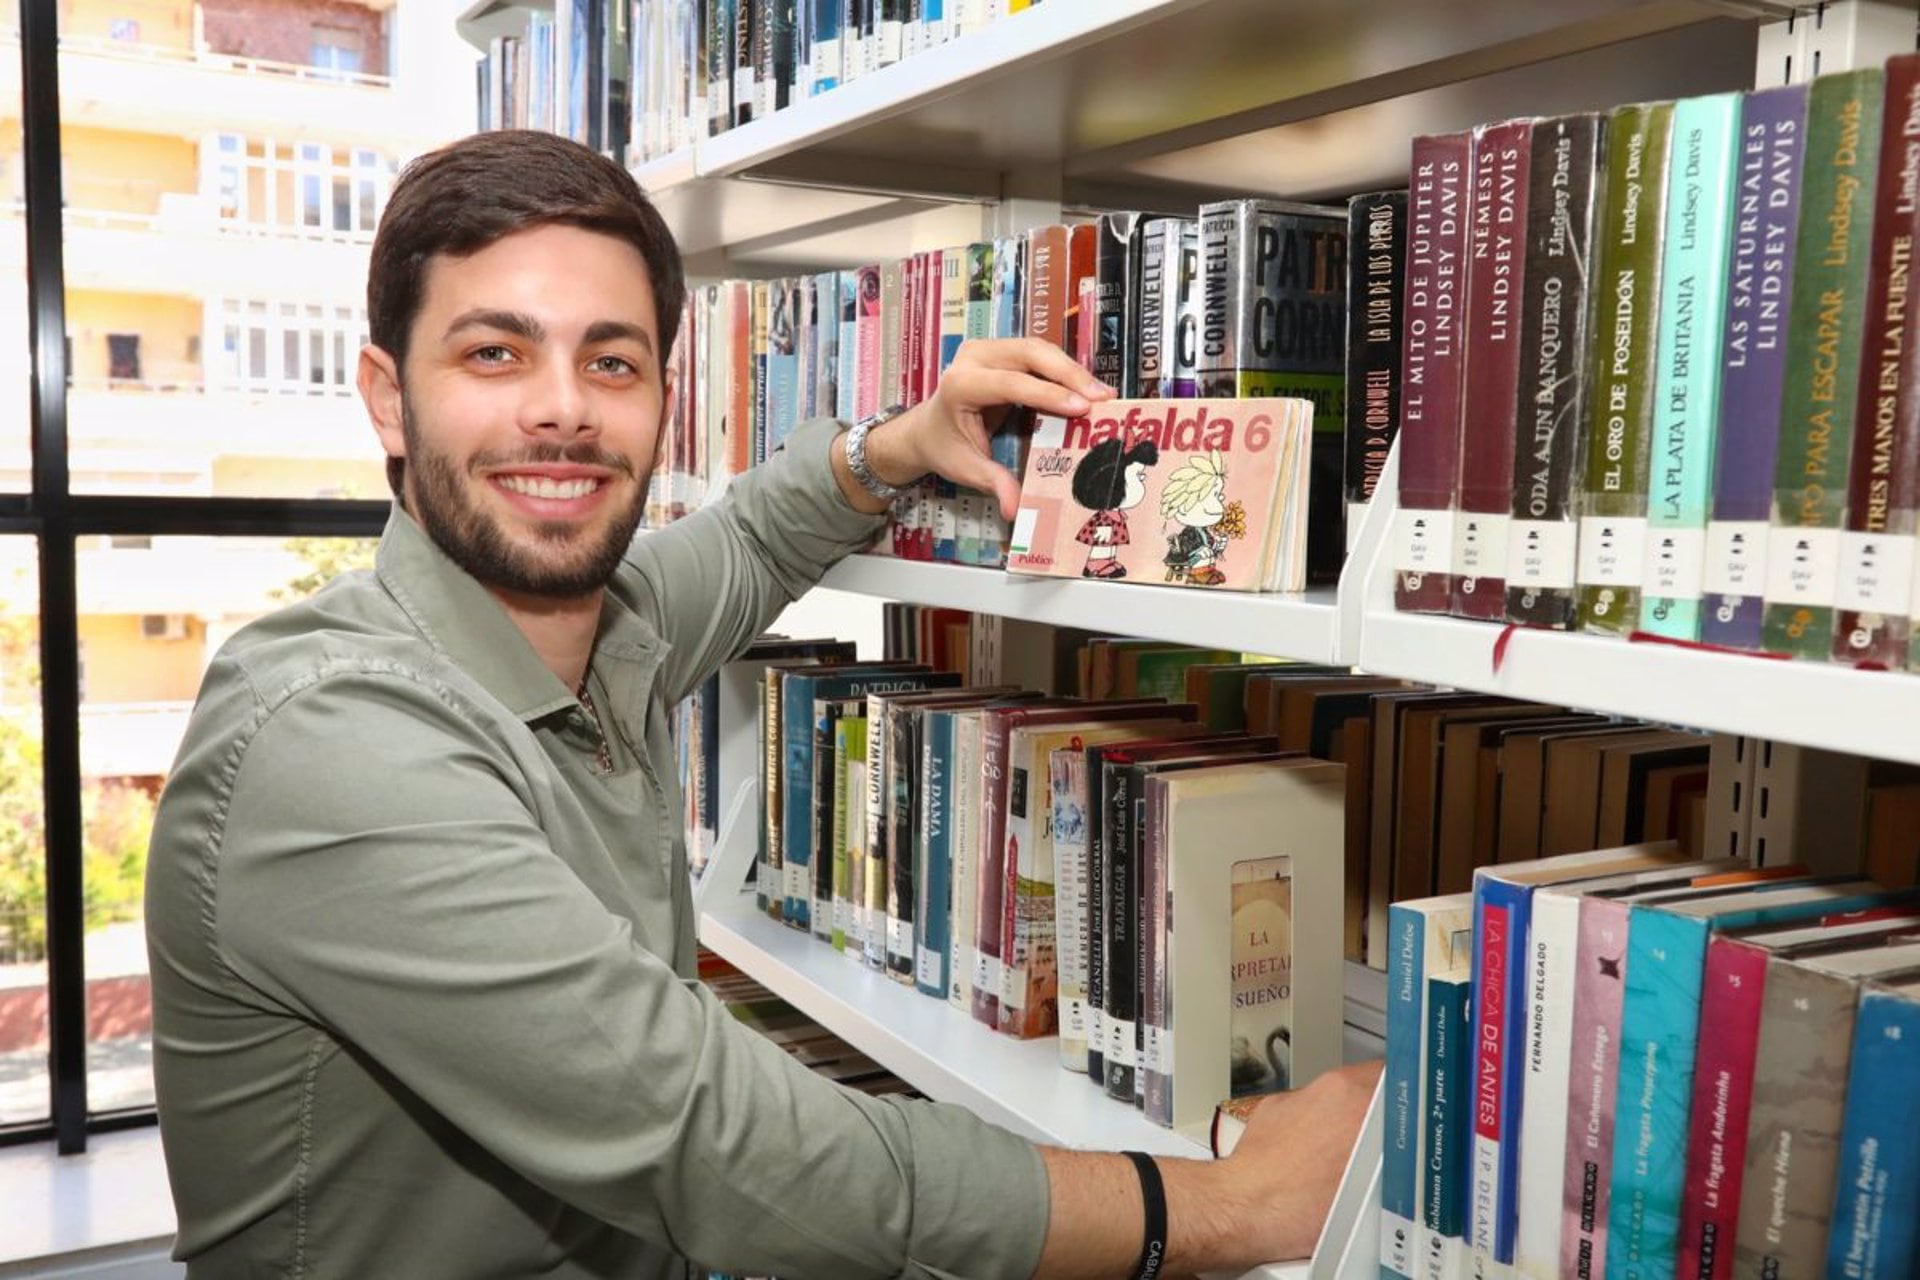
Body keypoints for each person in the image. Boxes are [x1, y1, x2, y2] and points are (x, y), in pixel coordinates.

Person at [145, 129, 1378, 1280]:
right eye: (494, 352)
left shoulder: (597, 632)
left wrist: (901, 441)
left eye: (611, 359)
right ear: (383, 394)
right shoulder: (332, 736)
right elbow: (717, 1138)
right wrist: (1223, 1205)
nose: (563, 407)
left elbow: (742, 545)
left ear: (659, 394)